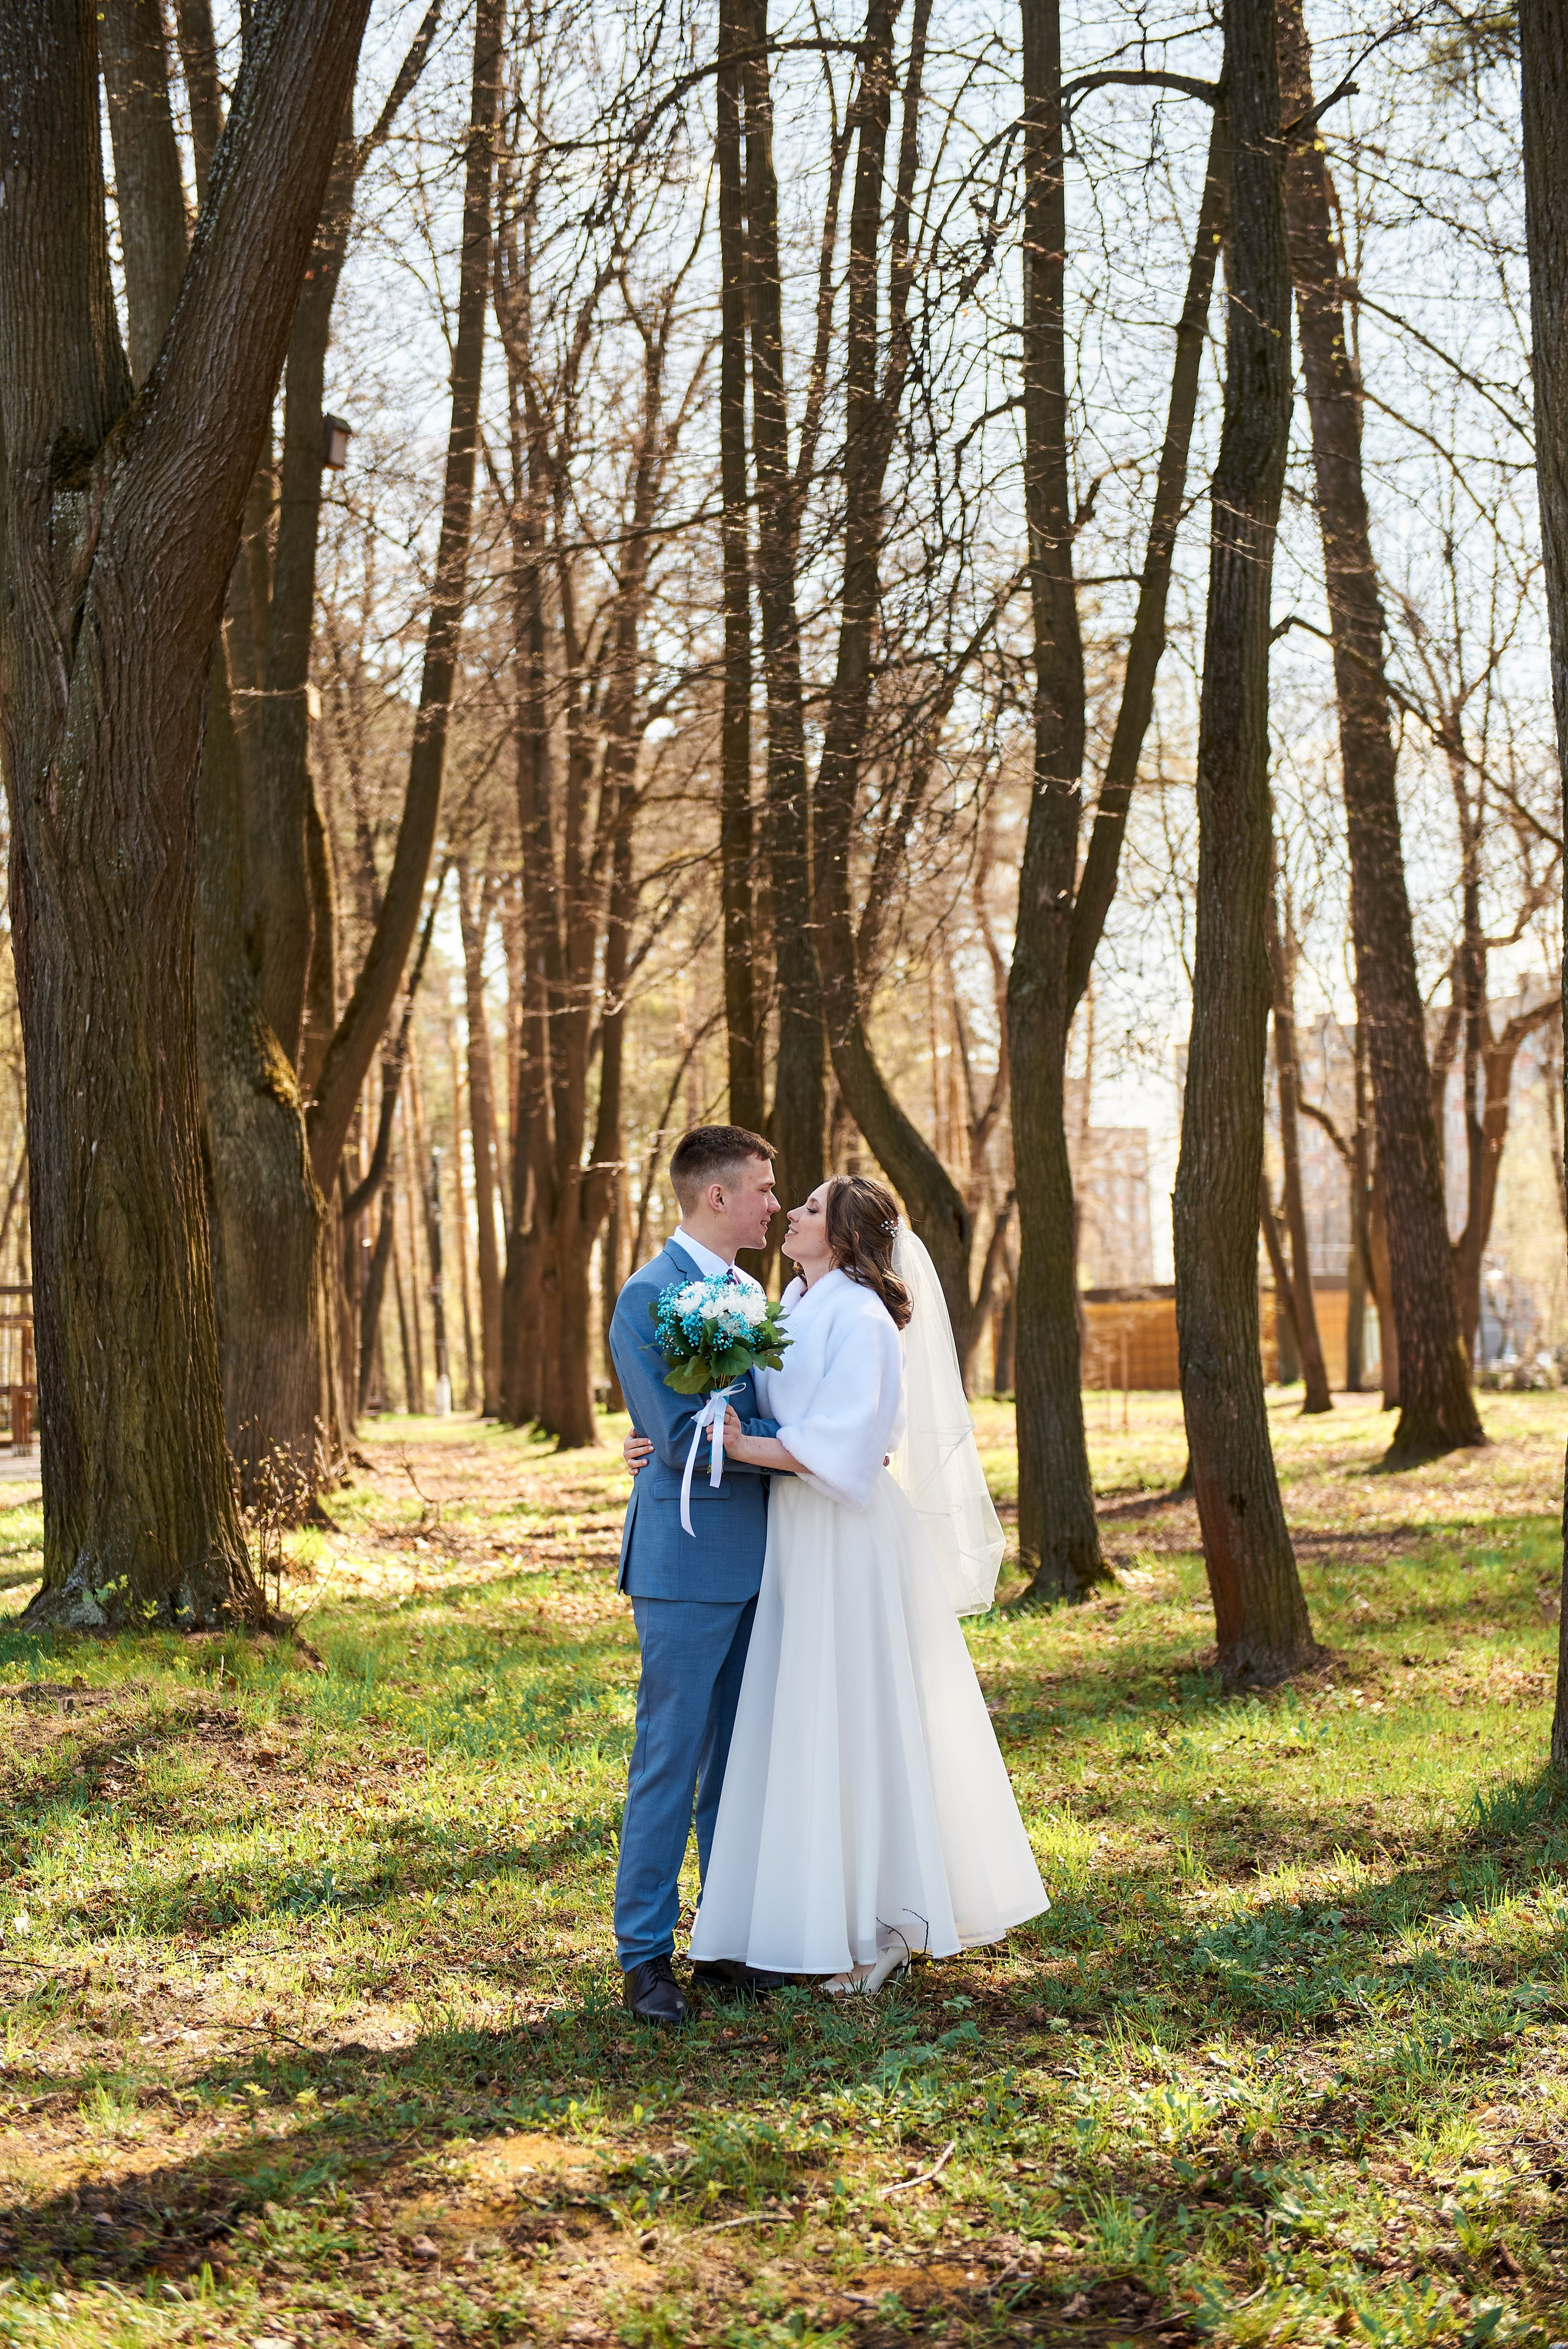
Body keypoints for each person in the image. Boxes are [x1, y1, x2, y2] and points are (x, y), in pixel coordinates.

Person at [626, 1174, 1046, 1993]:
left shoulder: (859, 1315)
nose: (790, 1212)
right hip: (792, 1536)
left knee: (855, 1724)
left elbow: (849, 1445)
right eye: (788, 1199)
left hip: (842, 1535)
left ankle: (879, 1925)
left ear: (847, 1237)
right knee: (800, 1731)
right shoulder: (789, 1301)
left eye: (811, 1208)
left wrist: (740, 1448)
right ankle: (793, 1921)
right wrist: (665, 1442)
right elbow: (740, 1405)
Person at [606, 1125, 788, 2027]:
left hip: (765, 1558)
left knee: (739, 1764)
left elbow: (753, 1413)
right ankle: (644, 1958)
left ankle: (724, 1937)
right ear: (716, 1196)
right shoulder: (649, 1296)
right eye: (760, 1188)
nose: (772, 1204)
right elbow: (679, 1443)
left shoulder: (750, 1292)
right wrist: (800, 1456)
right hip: (683, 1563)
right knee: (670, 1761)